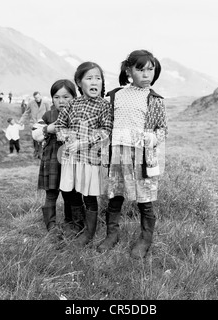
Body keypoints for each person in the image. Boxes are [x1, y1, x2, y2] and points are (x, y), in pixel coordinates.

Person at [97, 50, 168, 259]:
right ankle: (112, 234)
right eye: (141, 69)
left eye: (151, 69)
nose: (147, 74)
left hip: (142, 158)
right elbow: (106, 125)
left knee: (144, 201)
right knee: (115, 196)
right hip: (118, 155)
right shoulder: (114, 96)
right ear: (128, 70)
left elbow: (162, 130)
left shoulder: (155, 100)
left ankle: (145, 239)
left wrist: (152, 139)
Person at [55, 62, 113, 247]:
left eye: (98, 78)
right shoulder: (73, 104)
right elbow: (59, 125)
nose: (95, 81)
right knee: (71, 191)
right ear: (79, 83)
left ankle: (88, 233)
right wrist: (67, 137)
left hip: (90, 160)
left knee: (89, 196)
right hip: (71, 159)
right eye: (89, 78)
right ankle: (77, 226)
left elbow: (106, 131)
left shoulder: (104, 106)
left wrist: (83, 142)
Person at [37, 79, 85, 236]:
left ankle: (74, 223)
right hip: (52, 161)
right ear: (52, 99)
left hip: (71, 160)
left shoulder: (79, 115)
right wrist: (47, 129)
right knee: (51, 194)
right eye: (56, 97)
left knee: (71, 193)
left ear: (74, 97)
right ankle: (51, 226)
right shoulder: (48, 115)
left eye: (66, 97)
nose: (61, 101)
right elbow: (35, 134)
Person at [20, 91, 51, 159]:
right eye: (35, 98)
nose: (37, 99)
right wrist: (22, 120)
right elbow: (26, 112)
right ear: (34, 98)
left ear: (40, 96)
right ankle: (36, 151)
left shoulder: (46, 102)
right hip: (34, 123)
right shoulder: (31, 103)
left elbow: (49, 112)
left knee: (42, 138)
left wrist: (50, 122)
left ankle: (40, 153)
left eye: (38, 97)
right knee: (35, 138)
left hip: (43, 123)